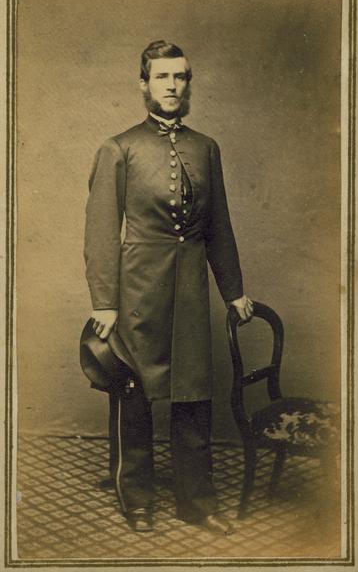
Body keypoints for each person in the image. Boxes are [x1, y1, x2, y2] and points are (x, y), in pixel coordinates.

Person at [84, 40, 253, 534]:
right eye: (162, 77)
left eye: (180, 77)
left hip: (190, 287)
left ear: (188, 83)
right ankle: (136, 497)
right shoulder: (120, 148)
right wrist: (105, 302)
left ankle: (195, 502)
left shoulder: (206, 148)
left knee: (193, 393)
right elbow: (99, 230)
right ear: (144, 85)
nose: (172, 86)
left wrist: (234, 290)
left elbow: (218, 224)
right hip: (137, 288)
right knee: (135, 393)